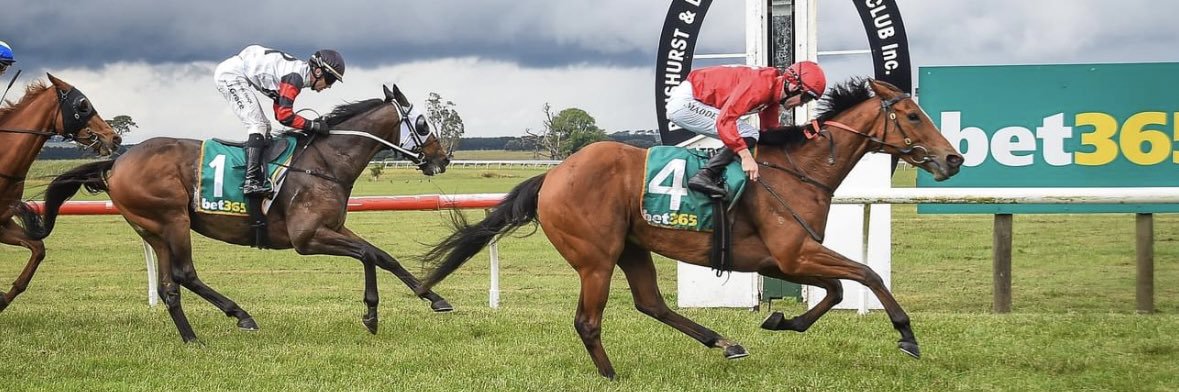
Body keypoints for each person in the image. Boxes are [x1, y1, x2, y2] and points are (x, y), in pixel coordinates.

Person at [665, 61, 826, 198]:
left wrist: (801, 137)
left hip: (696, 100)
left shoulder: (772, 93)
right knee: (748, 133)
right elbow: (725, 121)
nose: (803, 104)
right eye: (806, 97)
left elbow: (770, 132)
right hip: (686, 103)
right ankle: (705, 175)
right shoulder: (760, 87)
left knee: (753, 135)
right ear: (792, 85)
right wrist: (746, 156)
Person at [213, 44, 345, 196]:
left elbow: (280, 114)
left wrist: (310, 125)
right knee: (258, 125)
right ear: (318, 71)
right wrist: (313, 125)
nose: (329, 86)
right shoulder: (294, 78)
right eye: (331, 80)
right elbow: (284, 116)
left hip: (239, 70)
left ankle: (260, 175)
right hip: (231, 75)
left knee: (265, 127)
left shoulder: (296, 75)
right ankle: (250, 182)